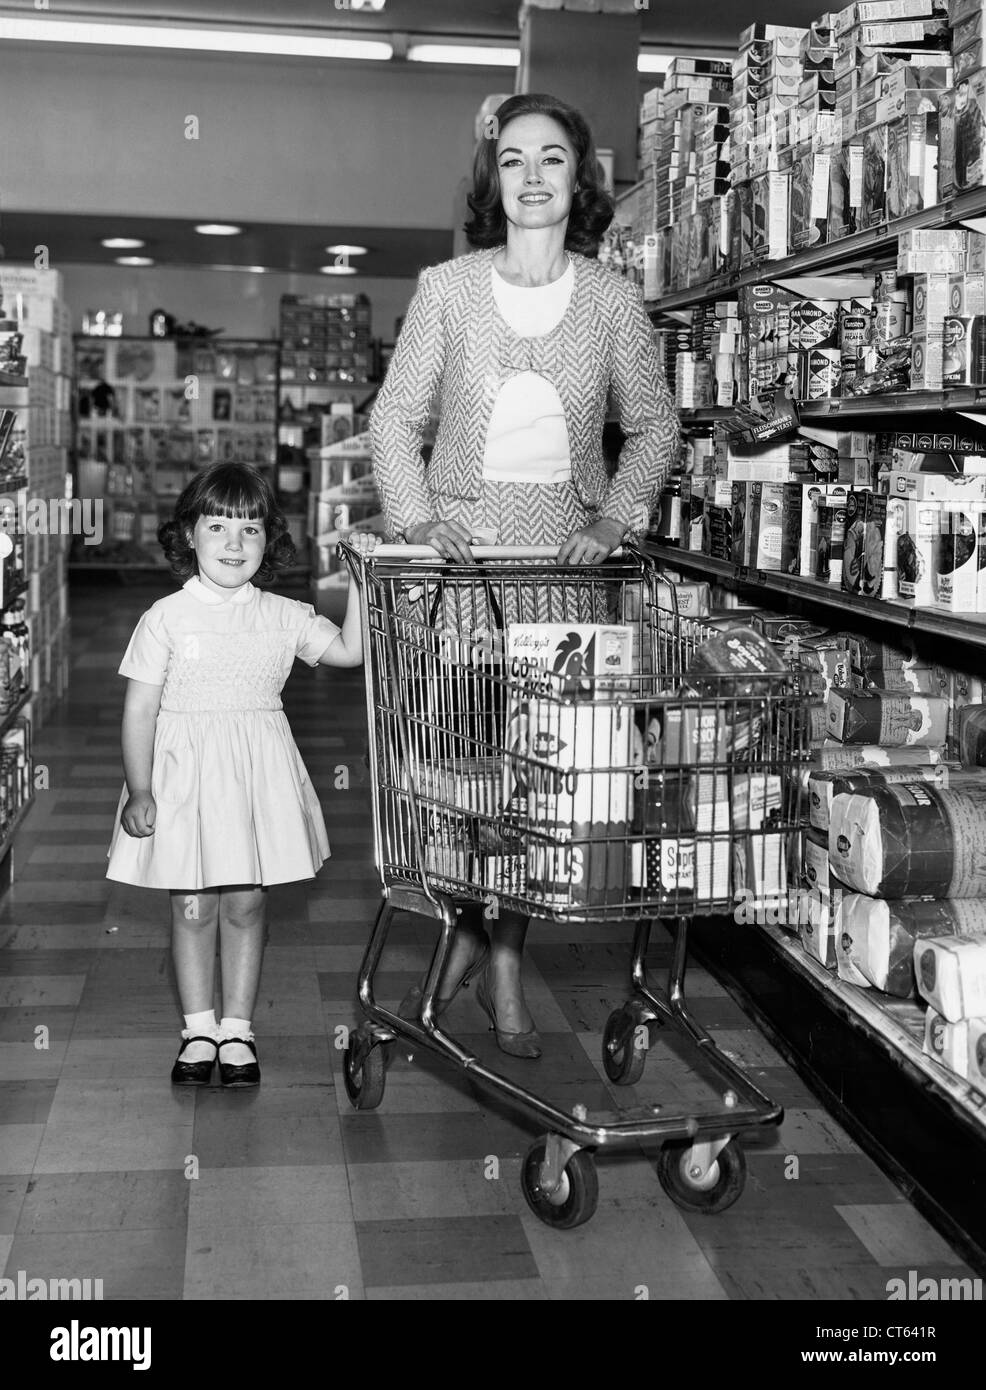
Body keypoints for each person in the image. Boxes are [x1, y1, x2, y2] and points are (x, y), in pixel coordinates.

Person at [371, 92, 678, 1059]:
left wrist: (616, 514)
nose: (534, 176)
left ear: (579, 179)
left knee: (539, 782)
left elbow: (658, 425)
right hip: (461, 577)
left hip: (564, 582)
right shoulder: (447, 290)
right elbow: (393, 424)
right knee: (465, 780)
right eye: (514, 159)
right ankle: (479, 941)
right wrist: (417, 520)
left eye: (553, 158)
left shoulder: (613, 300)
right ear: (491, 177)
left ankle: (495, 951)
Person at [106, 463, 378, 1087]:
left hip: (256, 776)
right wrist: (140, 788)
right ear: (189, 537)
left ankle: (237, 1031)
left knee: (248, 904)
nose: (234, 543)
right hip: (182, 781)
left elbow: (349, 652)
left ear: (269, 540)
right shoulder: (165, 617)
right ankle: (198, 1029)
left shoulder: (283, 615)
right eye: (218, 526)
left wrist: (359, 581)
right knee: (194, 905)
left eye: (250, 528)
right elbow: (140, 708)